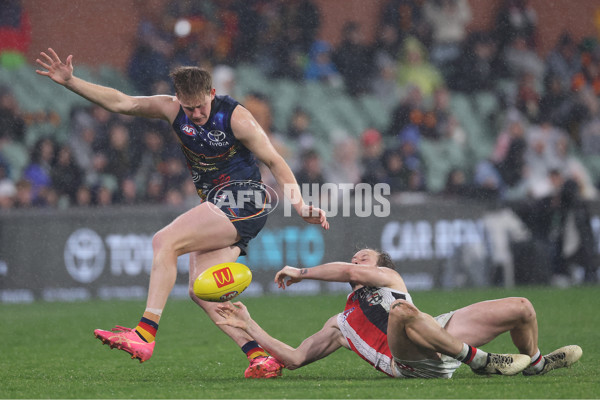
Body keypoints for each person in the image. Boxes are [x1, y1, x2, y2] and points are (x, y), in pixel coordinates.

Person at [35, 48, 329, 378]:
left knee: (165, 241)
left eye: (202, 105)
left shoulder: (236, 117)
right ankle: (260, 356)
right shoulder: (171, 108)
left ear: (212, 93)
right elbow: (121, 102)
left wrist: (300, 204)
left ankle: (145, 333)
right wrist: (71, 81)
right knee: (201, 290)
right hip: (220, 204)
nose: (197, 113)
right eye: (189, 108)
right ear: (178, 99)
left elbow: (275, 161)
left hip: (245, 200)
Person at [217, 248, 582, 379]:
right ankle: (481, 360)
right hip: (408, 361)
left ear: (380, 267)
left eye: (364, 257)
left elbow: (349, 272)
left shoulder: (389, 278)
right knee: (403, 313)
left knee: (523, 307)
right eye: (355, 256)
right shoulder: (339, 324)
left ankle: (534, 363)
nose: (356, 260)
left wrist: (301, 272)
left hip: (435, 332)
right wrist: (249, 324)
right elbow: (295, 358)